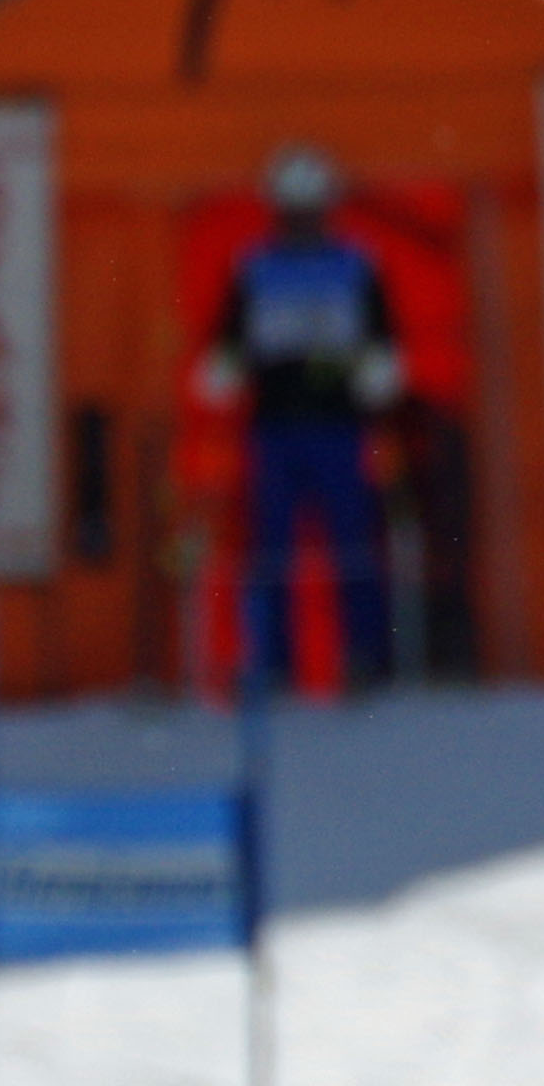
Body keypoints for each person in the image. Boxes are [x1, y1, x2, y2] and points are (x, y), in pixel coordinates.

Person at [195, 145, 404, 693]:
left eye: (311, 210)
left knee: (352, 546)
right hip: (273, 428)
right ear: (278, 210)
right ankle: (273, 663)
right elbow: (229, 339)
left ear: (327, 209)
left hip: (339, 427)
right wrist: (224, 366)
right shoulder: (254, 267)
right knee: (270, 550)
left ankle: (365, 658)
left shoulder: (357, 264)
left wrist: (379, 370)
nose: (302, 221)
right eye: (293, 210)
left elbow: (382, 338)